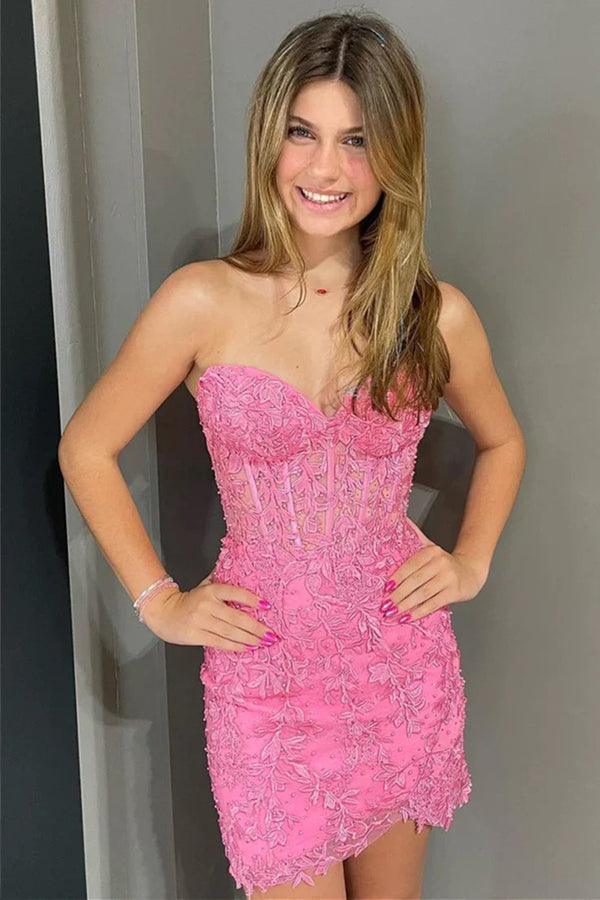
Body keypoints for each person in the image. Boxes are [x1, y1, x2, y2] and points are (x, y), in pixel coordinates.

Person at [58, 10, 526, 900]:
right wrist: (160, 603)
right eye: (303, 132)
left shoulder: (435, 316)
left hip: (397, 664)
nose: (325, 169)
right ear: (269, 137)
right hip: (266, 676)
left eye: (358, 140)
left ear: (396, 155)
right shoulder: (202, 301)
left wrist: (469, 563)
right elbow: (86, 446)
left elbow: (504, 441)